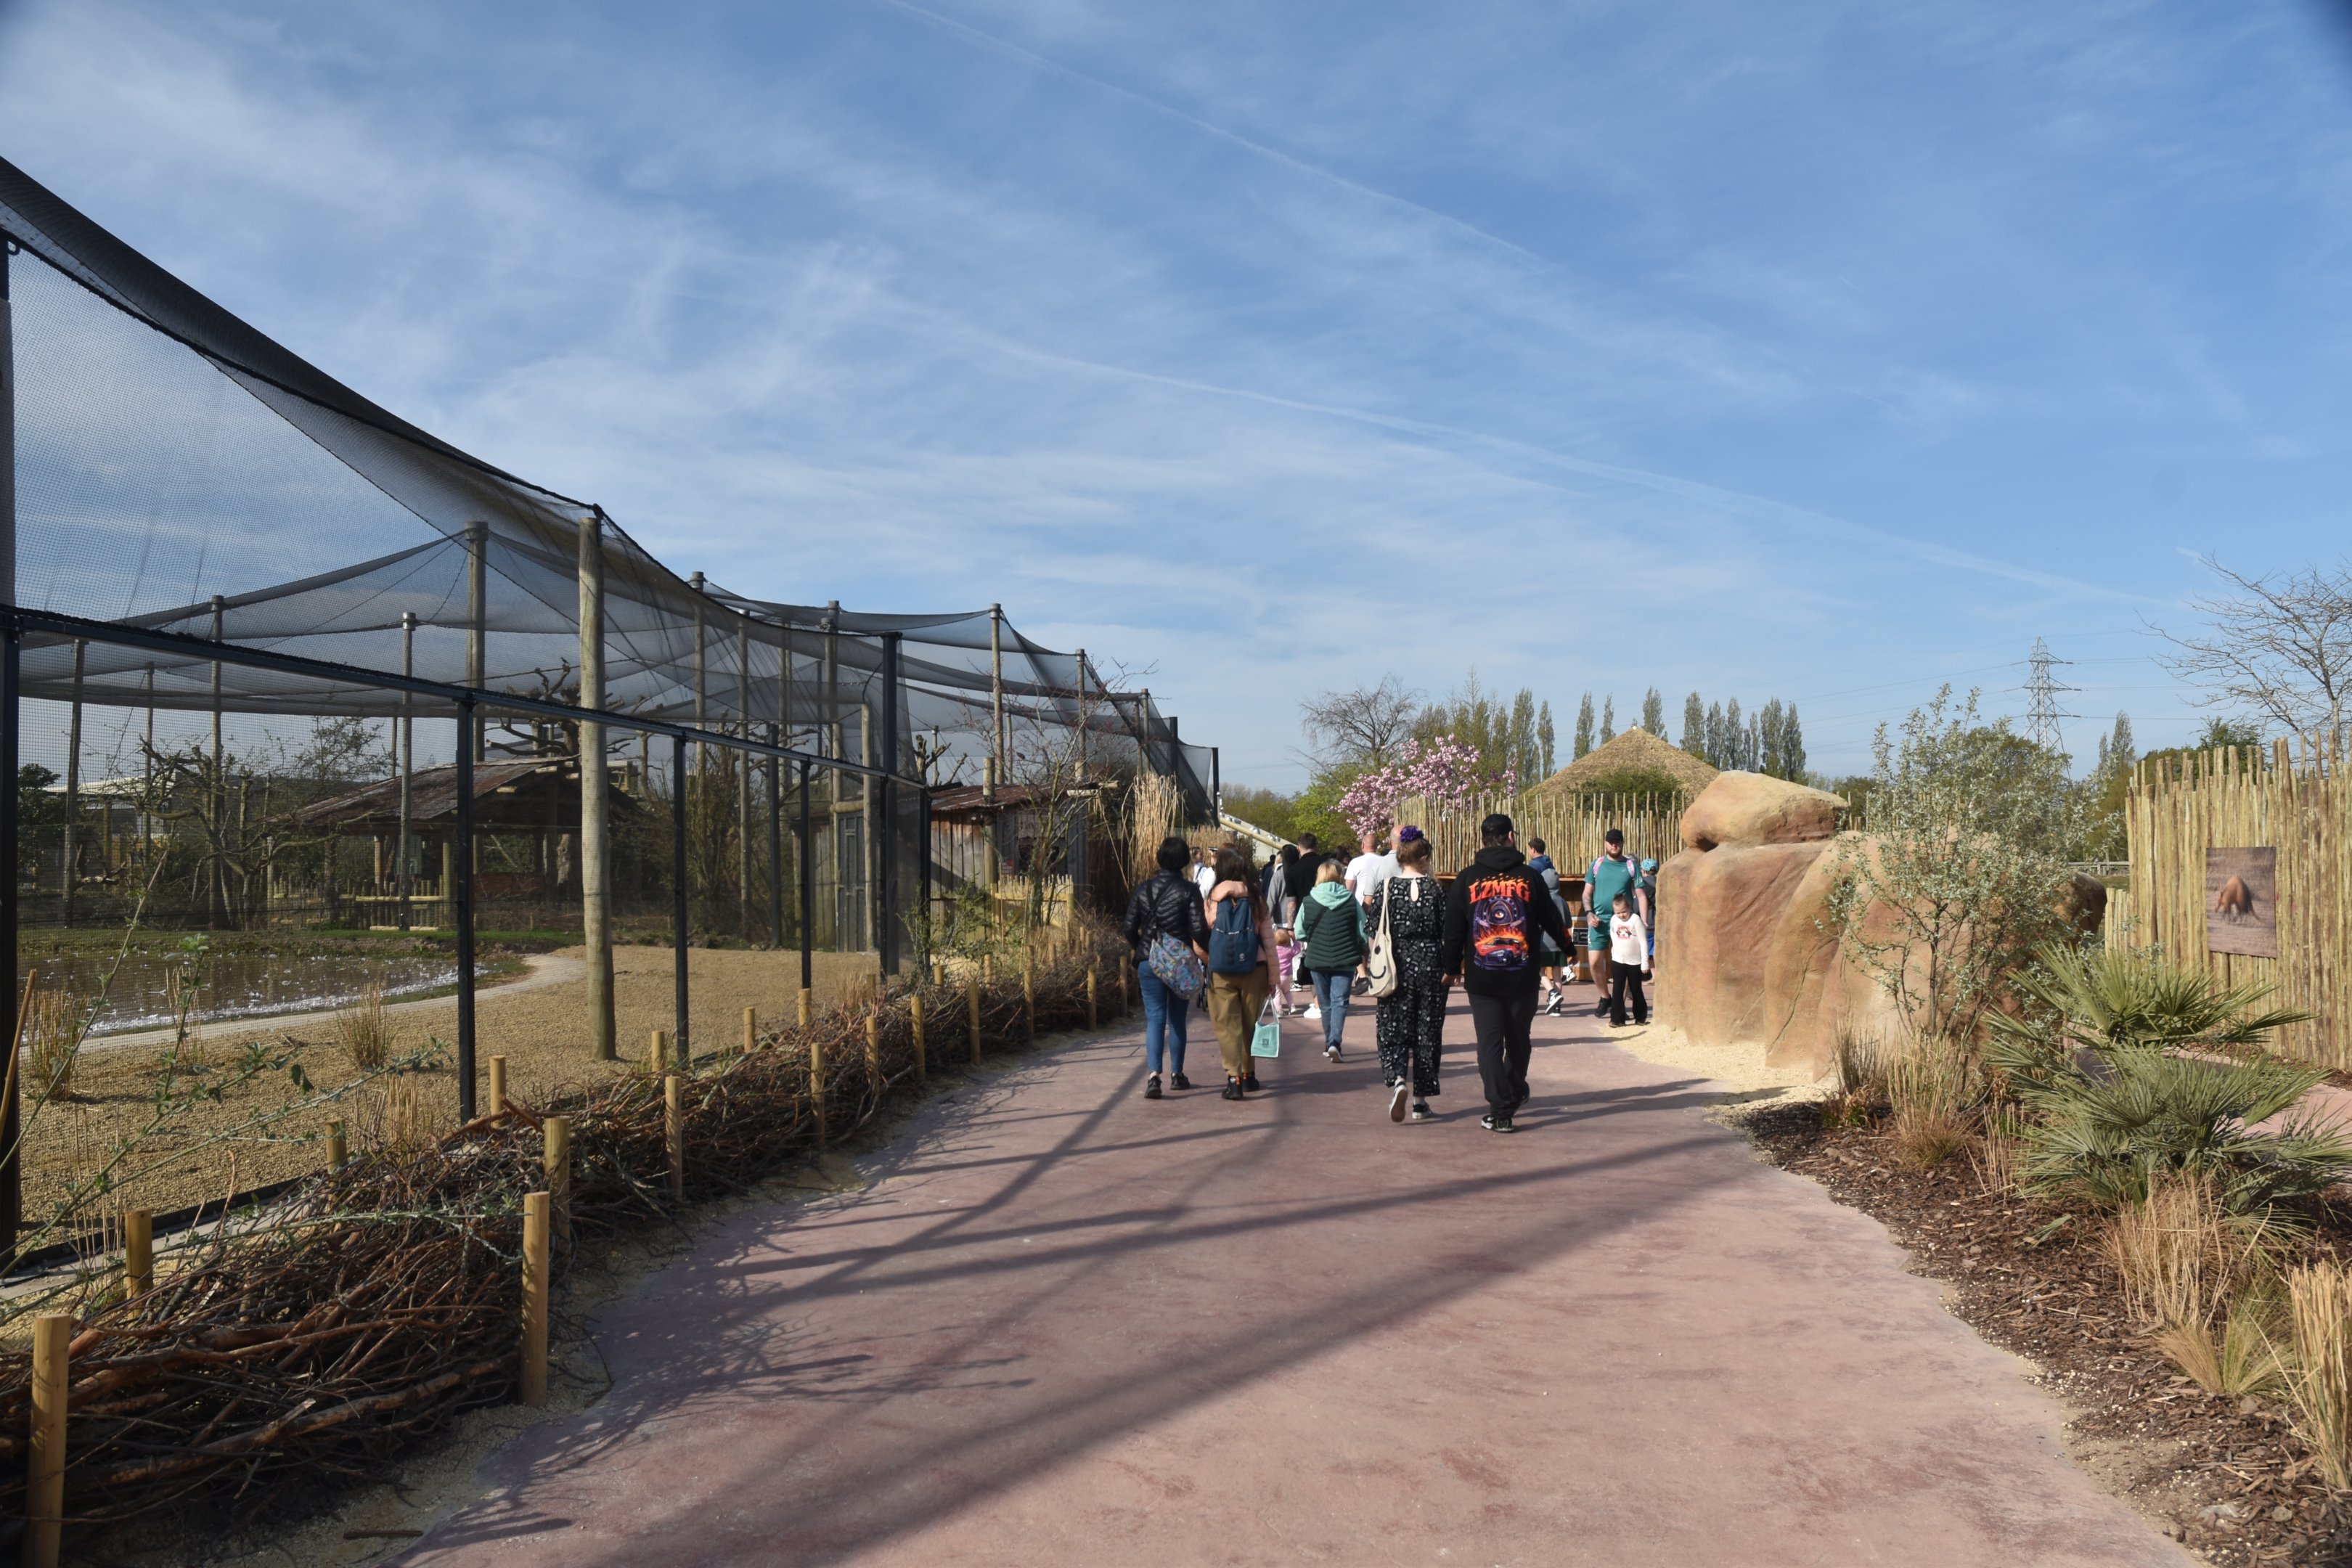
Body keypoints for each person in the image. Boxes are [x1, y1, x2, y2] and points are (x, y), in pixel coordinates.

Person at [1439, 812, 1570, 1134]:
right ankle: (1511, 1094)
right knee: (1519, 1039)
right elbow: (1552, 917)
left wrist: (1451, 967)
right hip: (1522, 974)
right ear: (1511, 836)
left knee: (1489, 1042)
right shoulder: (1529, 877)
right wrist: (1568, 950)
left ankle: (1500, 1110)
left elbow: (1454, 929)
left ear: (1482, 839)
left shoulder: (1466, 879)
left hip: (1482, 978)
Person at [1122, 834, 1211, 1100]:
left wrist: (1144, 948)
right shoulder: (1189, 890)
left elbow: (1128, 927)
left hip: (1149, 962)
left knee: (1155, 1019)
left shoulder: (1143, 889)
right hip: (1179, 964)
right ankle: (1177, 1075)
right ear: (1185, 860)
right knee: (1177, 1020)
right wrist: (1202, 952)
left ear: (1159, 858)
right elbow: (1198, 930)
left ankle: (1153, 1077)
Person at [1367, 833, 1447, 1122]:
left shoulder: (1387, 887)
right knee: (1427, 1030)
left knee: (1392, 1025)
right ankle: (1420, 1101)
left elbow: (1373, 929)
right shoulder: (1435, 889)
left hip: (1396, 964)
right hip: (1430, 963)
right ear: (1424, 858)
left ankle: (1398, 1077)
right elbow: (1445, 930)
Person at [1204, 846, 1281, 1101]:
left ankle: (1233, 1079)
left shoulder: (1213, 897)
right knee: (1250, 1024)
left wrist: (1209, 960)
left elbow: (1201, 936)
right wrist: (1274, 978)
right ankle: (1249, 1075)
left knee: (1227, 1026)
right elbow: (1269, 940)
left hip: (1221, 971)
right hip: (1254, 967)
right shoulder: (1256, 897)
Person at [1296, 859, 1367, 1063]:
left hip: (1317, 959)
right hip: (1345, 958)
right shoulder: (1350, 900)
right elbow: (1362, 930)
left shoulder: (1309, 900)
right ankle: (1335, 1041)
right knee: (1340, 1002)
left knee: (1325, 1003)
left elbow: (1300, 931)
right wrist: (1362, 946)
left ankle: (1329, 1043)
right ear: (1339, 877)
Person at [1584, 829, 1647, 1018]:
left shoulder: (1630, 866)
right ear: (1605, 843)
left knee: (1627, 963)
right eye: (1611, 842)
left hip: (1625, 922)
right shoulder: (1597, 864)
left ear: (1622, 843)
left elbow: (1641, 895)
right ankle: (1605, 997)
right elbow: (1587, 894)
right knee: (1595, 962)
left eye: (1617, 842)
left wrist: (1643, 920)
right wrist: (1588, 913)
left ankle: (1619, 1004)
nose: (1614, 845)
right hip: (1599, 922)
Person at [1527, 836, 1570, 1016]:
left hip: (1544, 943)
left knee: (1539, 970)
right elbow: (1568, 922)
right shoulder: (1562, 901)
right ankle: (1556, 1005)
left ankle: (1551, 993)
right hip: (1559, 944)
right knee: (1558, 973)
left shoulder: (1542, 900)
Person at [1606, 889, 1651, 1026]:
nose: (1621, 915)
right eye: (1618, 912)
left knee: (1636, 989)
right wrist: (1615, 952)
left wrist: (1645, 963)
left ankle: (1640, 1017)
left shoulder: (1635, 920)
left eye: (1624, 912)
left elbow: (1643, 942)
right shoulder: (1614, 920)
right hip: (1619, 960)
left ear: (1630, 908)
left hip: (1635, 962)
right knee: (1617, 989)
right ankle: (1617, 1019)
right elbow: (1613, 935)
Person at [1266, 844, 1302, 1015]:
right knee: (1296, 952)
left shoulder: (1279, 875)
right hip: (1298, 920)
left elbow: (1271, 899)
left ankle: (1281, 995)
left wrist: (1267, 918)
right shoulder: (1299, 873)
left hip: (1280, 922)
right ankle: (1295, 981)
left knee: (1280, 954)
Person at [1346, 831, 1397, 907]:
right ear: (1376, 846)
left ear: (1363, 845)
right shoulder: (1385, 861)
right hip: (1383, 904)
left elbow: (1348, 889)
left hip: (1360, 906)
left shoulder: (1355, 862)